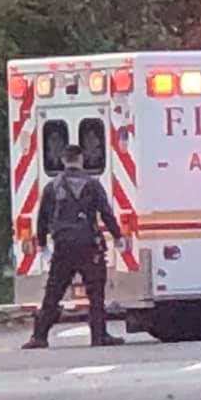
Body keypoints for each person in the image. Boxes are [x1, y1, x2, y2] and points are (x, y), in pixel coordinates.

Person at [23, 148, 124, 349]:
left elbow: (42, 218)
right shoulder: (93, 185)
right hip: (89, 245)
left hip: (63, 246)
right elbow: (105, 212)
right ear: (81, 160)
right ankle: (98, 336)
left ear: (63, 160)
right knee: (95, 294)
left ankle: (40, 336)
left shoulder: (53, 187)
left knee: (53, 292)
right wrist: (117, 236)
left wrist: (42, 244)